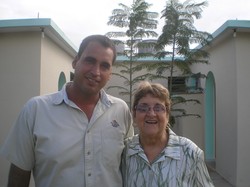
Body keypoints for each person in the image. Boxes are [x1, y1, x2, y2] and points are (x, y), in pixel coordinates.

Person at [0, 35, 134, 187]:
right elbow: (19, 173)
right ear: (75, 62)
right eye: (90, 60)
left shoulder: (120, 110)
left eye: (104, 66)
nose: (96, 72)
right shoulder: (36, 110)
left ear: (110, 73)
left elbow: (129, 164)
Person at [122, 81, 214, 187]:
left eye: (158, 108)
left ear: (167, 115)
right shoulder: (124, 151)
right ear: (134, 114)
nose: (151, 114)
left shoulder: (190, 153)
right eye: (143, 108)